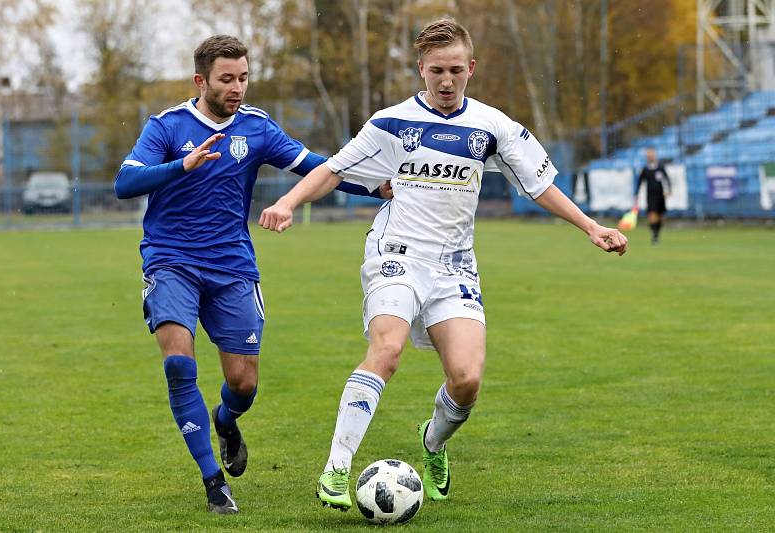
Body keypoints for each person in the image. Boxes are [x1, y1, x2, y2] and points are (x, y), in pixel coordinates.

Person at [258, 18, 628, 511]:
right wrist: (287, 203)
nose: (446, 80)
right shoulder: (390, 122)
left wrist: (591, 227)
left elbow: (538, 186)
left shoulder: (493, 126)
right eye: (437, 71)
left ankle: (432, 443)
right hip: (397, 254)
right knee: (387, 349)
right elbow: (332, 169)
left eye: (456, 69)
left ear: (471, 68)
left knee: (467, 380)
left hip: (455, 267)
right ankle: (337, 466)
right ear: (421, 70)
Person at [114, 35, 387, 514]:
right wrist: (184, 164)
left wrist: (376, 186)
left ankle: (225, 420)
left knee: (243, 384)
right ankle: (212, 481)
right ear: (201, 80)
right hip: (170, 259)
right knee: (179, 363)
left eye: (243, 77)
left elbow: (319, 167)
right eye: (226, 79)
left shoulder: (257, 128)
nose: (237, 87)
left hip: (232, 265)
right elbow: (125, 182)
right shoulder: (167, 126)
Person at [634, 148, 671, 244]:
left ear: (655, 155)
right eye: (648, 155)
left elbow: (667, 179)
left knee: (660, 216)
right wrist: (636, 194)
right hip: (650, 196)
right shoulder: (645, 169)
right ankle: (654, 236)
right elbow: (639, 182)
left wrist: (668, 191)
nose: (650, 156)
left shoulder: (660, 167)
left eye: (651, 155)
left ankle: (657, 234)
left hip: (660, 196)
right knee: (652, 215)